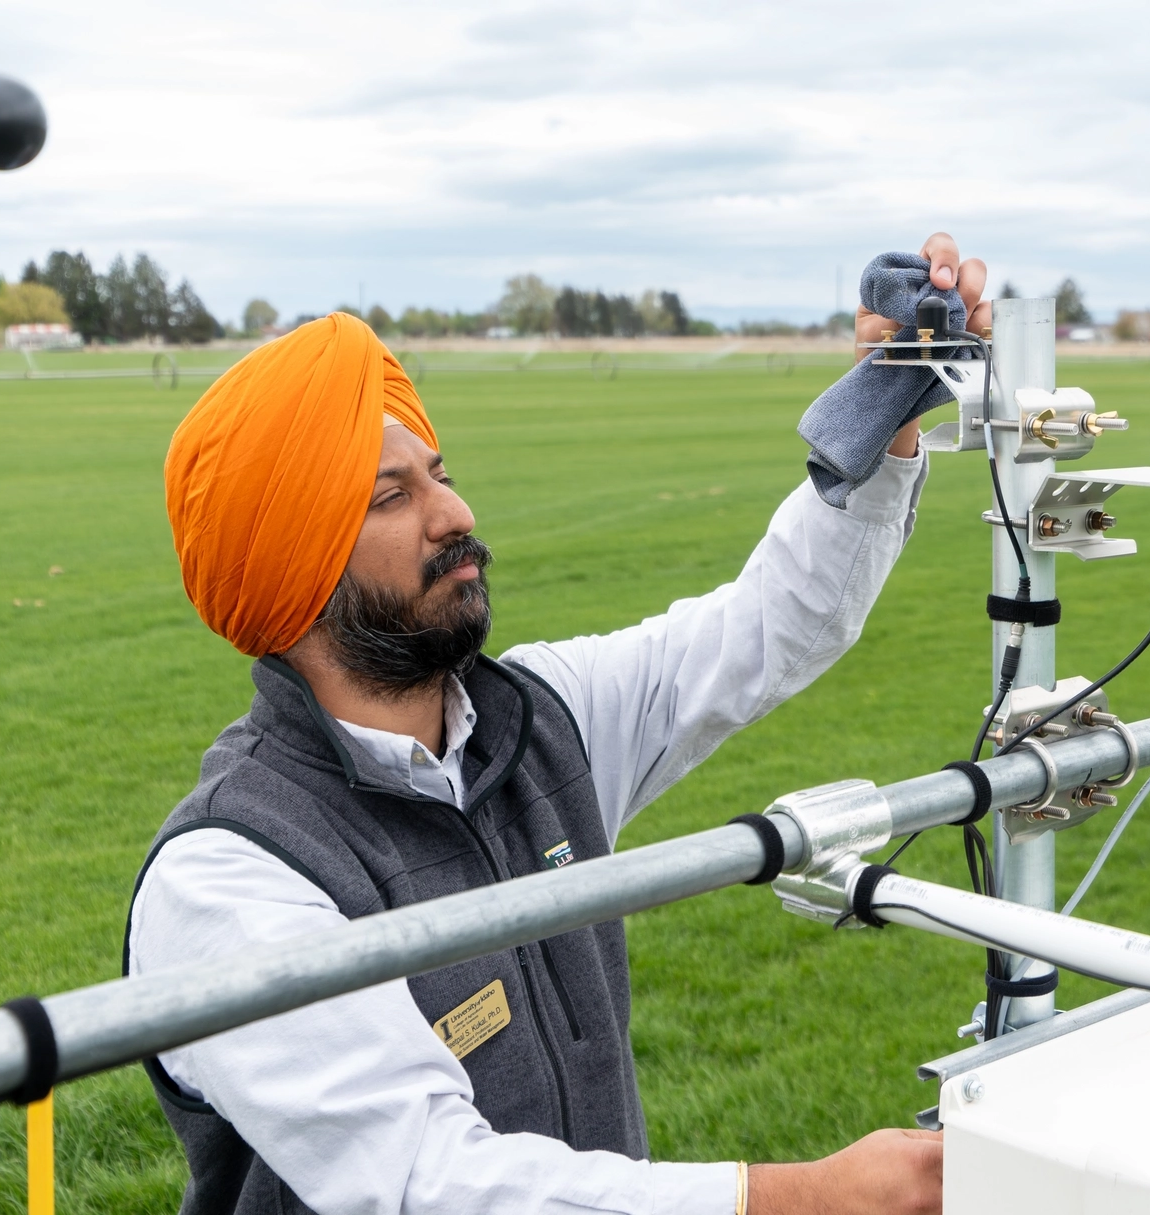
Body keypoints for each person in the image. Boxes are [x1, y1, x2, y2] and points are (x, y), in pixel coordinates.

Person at [129, 234, 992, 1215]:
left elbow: (773, 627)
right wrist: (800, 1199)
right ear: (294, 568)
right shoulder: (230, 878)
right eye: (390, 496)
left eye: (440, 473)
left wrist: (885, 413)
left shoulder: (539, 718)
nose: (454, 512)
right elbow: (428, 1184)